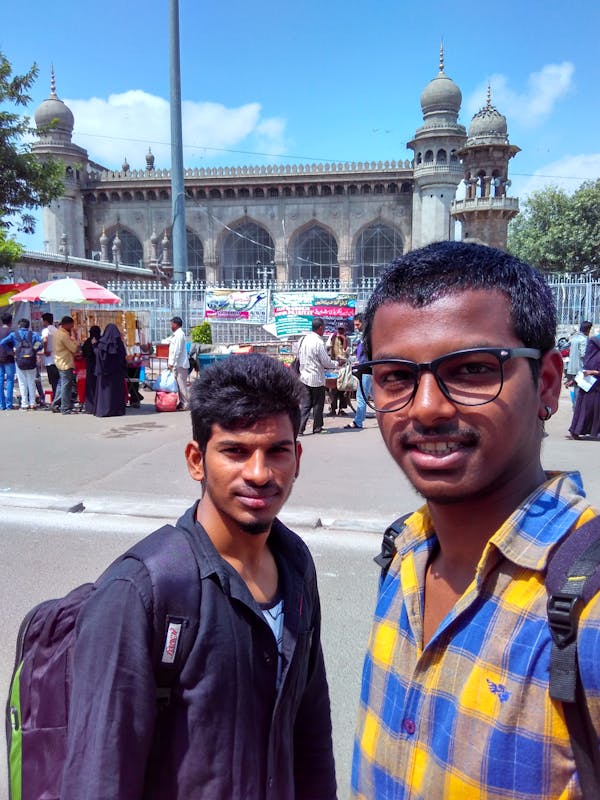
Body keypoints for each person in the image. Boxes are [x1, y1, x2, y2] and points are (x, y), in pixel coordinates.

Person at [351, 241, 600, 799]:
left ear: (549, 384)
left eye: (471, 370)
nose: (427, 407)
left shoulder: (586, 607)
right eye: (395, 376)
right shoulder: (404, 552)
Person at [60, 353, 337, 800]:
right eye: (235, 451)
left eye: (277, 451)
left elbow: (309, 729)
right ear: (196, 460)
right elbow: (99, 775)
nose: (259, 473)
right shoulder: (144, 592)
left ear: (297, 458)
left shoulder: (295, 564)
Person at [298, 316, 340, 435]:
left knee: (305, 405)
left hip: (304, 376)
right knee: (317, 404)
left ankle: (300, 429)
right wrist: (336, 364)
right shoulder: (318, 342)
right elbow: (326, 362)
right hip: (316, 378)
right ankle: (317, 427)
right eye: (324, 328)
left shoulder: (303, 340)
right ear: (320, 328)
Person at [0, 318, 43, 410]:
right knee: (31, 382)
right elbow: (41, 342)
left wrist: (10, 351)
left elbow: (2, 342)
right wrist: (35, 350)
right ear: (28, 326)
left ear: (19, 326)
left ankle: (24, 404)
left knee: (22, 382)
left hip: (19, 360)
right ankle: (33, 403)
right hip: (31, 360)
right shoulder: (33, 334)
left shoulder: (14, 334)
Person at [569, 332, 600, 440]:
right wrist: (574, 381)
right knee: (583, 410)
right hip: (587, 387)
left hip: (595, 388)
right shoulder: (590, 356)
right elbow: (584, 369)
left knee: (590, 411)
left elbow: (589, 370)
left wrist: (592, 372)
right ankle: (575, 431)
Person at [93, 323, 127, 417]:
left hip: (105, 374)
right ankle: (117, 410)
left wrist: (94, 346)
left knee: (105, 394)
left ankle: (104, 410)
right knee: (116, 393)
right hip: (117, 373)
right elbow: (123, 359)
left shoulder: (102, 344)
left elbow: (99, 356)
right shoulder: (119, 344)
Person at [345, 313, 370, 431]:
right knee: (365, 396)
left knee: (361, 397)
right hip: (363, 369)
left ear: (363, 322)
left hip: (366, 369)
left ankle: (358, 421)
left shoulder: (368, 337)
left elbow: (369, 355)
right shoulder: (363, 336)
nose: (356, 327)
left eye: (358, 324)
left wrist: (359, 363)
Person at [52, 316, 79, 415]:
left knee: (61, 385)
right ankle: (65, 408)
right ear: (67, 325)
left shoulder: (57, 333)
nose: (72, 328)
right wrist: (75, 337)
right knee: (66, 386)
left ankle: (56, 404)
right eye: (71, 326)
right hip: (65, 363)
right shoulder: (64, 335)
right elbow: (74, 348)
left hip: (59, 361)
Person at [565, 320, 593, 406]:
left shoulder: (575, 338)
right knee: (580, 392)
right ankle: (577, 410)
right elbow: (584, 355)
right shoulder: (584, 340)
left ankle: (576, 408)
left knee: (577, 389)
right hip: (580, 369)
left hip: (572, 368)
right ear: (588, 330)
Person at [166, 315, 189, 410]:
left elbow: (177, 351)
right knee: (179, 385)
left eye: (172, 324)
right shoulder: (175, 334)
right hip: (177, 364)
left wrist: (171, 363)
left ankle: (186, 404)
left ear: (176, 324)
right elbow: (168, 341)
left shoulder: (179, 334)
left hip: (180, 364)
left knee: (181, 385)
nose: (171, 326)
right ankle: (182, 403)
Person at [328, 324, 349, 416]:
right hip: (334, 365)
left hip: (343, 365)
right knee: (333, 388)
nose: (340, 331)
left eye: (342, 330)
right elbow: (329, 348)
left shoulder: (347, 338)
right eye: (339, 329)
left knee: (343, 388)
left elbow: (345, 351)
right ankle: (333, 408)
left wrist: (343, 339)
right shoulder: (333, 337)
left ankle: (341, 409)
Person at [81, 325, 101, 413]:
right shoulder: (102, 341)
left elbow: (84, 353)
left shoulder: (88, 342)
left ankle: (91, 406)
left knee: (90, 386)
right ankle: (99, 405)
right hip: (100, 367)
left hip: (90, 366)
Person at [40, 312, 59, 401]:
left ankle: (55, 400)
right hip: (57, 358)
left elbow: (45, 340)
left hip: (49, 359)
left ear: (45, 321)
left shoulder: (45, 330)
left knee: (53, 382)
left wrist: (45, 349)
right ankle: (58, 399)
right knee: (58, 381)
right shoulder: (56, 330)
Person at [0, 311, 16, 411]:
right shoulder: (11, 332)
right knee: (10, 380)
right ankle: (9, 404)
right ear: (10, 321)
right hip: (9, 358)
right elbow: (15, 345)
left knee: (0, 381)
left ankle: (2, 404)